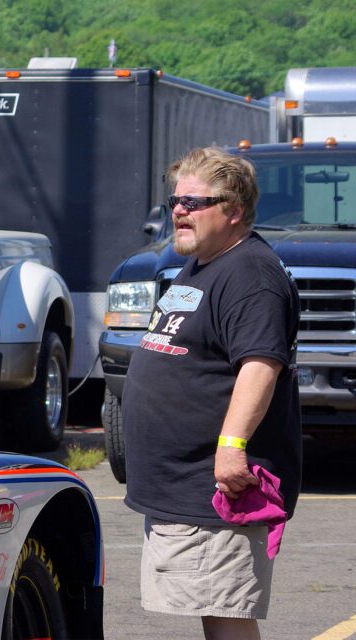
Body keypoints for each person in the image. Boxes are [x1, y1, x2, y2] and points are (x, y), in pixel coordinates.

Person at [121, 147, 301, 640]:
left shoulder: (251, 275)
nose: (179, 210)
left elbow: (261, 365)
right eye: (175, 200)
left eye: (195, 202)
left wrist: (231, 447)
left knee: (226, 617)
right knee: (214, 609)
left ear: (234, 210)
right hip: (183, 486)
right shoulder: (204, 263)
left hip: (215, 488)